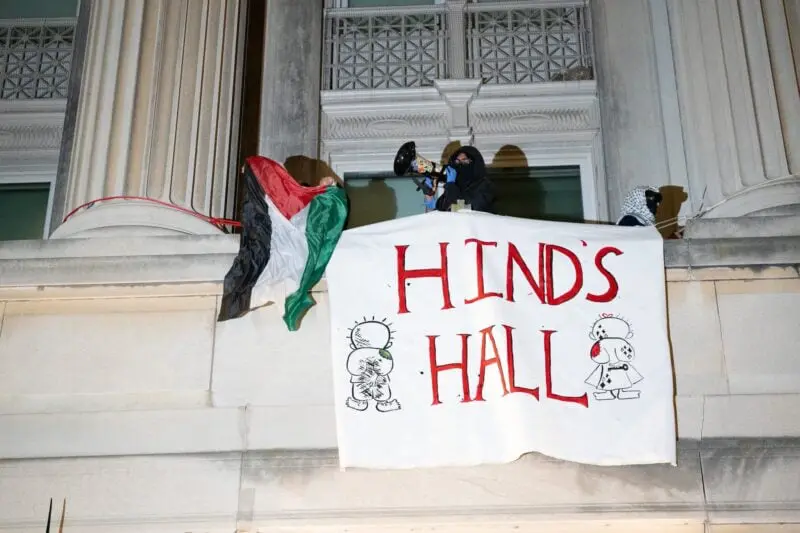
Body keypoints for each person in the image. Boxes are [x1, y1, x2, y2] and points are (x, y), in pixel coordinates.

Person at [423, 146, 495, 213]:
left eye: (465, 160)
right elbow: (443, 214)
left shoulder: (484, 185)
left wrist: (451, 185)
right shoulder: (454, 187)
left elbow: (467, 210)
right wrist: (430, 197)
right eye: (457, 161)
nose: (459, 164)